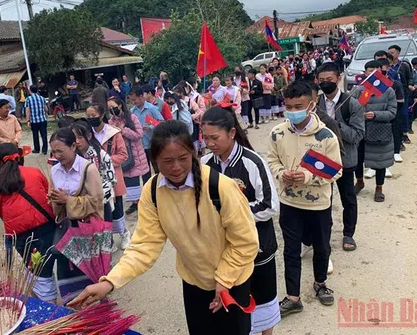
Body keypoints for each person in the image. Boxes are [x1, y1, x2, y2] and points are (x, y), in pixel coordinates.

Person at [68, 120, 259, 335]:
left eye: (183, 158)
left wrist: (224, 280)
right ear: (155, 160)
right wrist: (110, 282)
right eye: (167, 161)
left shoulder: (220, 186)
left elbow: (246, 242)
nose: (176, 167)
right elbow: (144, 246)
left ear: (193, 153)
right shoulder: (152, 191)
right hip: (194, 282)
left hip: (232, 281)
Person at [201, 106, 280, 335]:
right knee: (234, 301)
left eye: (215, 137)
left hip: (258, 247)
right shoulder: (205, 164)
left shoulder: (252, 162)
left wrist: (232, 218)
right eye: (205, 138)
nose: (209, 143)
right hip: (224, 250)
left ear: (232, 133)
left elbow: (269, 204)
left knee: (263, 300)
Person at [267, 82, 342, 316]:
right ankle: (293, 297)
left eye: (298, 106)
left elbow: (336, 170)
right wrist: (282, 173)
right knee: (290, 250)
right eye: (288, 106)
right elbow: (272, 161)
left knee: (321, 246)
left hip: (318, 203)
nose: (293, 111)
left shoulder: (326, 136)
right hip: (289, 203)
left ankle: (320, 284)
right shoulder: (277, 132)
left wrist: (308, 176)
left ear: (311, 105)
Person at [0, 143, 57, 302]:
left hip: (20, 235)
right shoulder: (34, 172)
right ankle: (55, 300)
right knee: (46, 264)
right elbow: (47, 195)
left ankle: (48, 303)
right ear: (19, 156)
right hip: (46, 226)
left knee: (36, 269)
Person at [49, 128, 105, 302]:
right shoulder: (55, 170)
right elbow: (55, 201)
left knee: (90, 274)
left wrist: (68, 200)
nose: (57, 155)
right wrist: (55, 200)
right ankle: (76, 310)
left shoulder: (88, 169)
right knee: (68, 276)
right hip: (67, 231)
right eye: (54, 151)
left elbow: (96, 201)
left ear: (73, 146)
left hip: (88, 230)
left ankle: (97, 313)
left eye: (60, 150)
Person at [316, 62, 364, 252]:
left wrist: (334, 124)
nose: (326, 83)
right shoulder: (315, 103)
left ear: (338, 78)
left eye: (329, 80)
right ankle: (322, 235)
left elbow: (357, 135)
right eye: (322, 80)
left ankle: (348, 234)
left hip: (345, 160)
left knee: (348, 199)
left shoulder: (351, 104)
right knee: (322, 200)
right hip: (320, 160)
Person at [86, 104, 131, 249]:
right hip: (94, 179)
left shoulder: (113, 133)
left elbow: (123, 155)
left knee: (116, 209)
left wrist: (104, 161)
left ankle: (124, 233)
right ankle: (108, 240)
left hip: (112, 178)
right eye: (89, 116)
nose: (91, 119)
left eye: (93, 115)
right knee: (102, 212)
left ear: (101, 114)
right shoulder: (88, 135)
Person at [354, 60, 397, 202]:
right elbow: (351, 110)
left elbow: (392, 113)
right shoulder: (359, 90)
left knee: (380, 161)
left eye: (375, 71)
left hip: (380, 131)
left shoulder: (388, 91)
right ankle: (359, 181)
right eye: (369, 71)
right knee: (358, 159)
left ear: (380, 72)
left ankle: (379, 187)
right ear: (365, 73)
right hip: (361, 130)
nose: (371, 74)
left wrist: (376, 114)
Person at [108, 97, 149, 216]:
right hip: (122, 155)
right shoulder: (111, 121)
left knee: (134, 180)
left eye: (113, 107)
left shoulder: (131, 117)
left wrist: (123, 130)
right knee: (128, 181)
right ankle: (135, 203)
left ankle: (142, 204)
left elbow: (139, 134)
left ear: (120, 105)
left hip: (135, 154)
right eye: (109, 108)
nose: (112, 110)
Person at [71, 120, 116, 226]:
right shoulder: (73, 158)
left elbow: (111, 179)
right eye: (74, 138)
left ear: (89, 136)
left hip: (101, 202)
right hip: (81, 204)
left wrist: (97, 195)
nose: (77, 141)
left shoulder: (101, 155)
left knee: (104, 235)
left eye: (80, 137)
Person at [129, 86, 164, 181]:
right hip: (140, 146)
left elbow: (161, 121)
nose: (134, 102)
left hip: (152, 143)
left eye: (135, 99)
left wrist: (150, 127)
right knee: (144, 172)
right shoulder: (132, 111)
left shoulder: (152, 109)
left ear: (141, 97)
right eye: (131, 100)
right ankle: (147, 190)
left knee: (157, 168)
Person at [388, 45, 414, 141]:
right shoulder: (386, 67)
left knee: (404, 113)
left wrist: (410, 85)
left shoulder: (404, 65)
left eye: (392, 52)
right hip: (390, 94)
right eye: (389, 52)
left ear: (398, 53)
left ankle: (404, 133)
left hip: (403, 93)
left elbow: (409, 77)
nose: (390, 54)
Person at [25, 85, 48, 155]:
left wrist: (28, 120)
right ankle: (45, 149)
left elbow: (28, 110)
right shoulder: (42, 98)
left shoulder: (28, 99)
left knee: (35, 135)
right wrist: (45, 114)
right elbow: (46, 108)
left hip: (34, 121)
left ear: (30, 90)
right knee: (44, 135)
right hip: (42, 119)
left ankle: (37, 149)